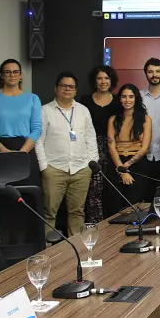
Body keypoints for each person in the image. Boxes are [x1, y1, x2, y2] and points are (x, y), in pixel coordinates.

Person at [36, 72, 98, 236]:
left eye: (71, 87)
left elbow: (91, 137)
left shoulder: (83, 111)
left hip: (81, 169)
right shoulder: (45, 111)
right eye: (63, 86)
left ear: (76, 91)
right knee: (49, 213)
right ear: (56, 88)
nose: (67, 89)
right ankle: (49, 253)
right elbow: (38, 140)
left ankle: (75, 251)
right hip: (54, 169)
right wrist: (44, 167)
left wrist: (91, 164)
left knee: (77, 212)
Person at [0, 59, 42, 188]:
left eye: (16, 72)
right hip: (0, 149)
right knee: (3, 196)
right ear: (1, 75)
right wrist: (4, 151)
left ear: (21, 75)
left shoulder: (32, 98)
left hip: (25, 149)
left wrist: (22, 152)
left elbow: (37, 129)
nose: (12, 75)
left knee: (27, 196)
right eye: (8, 72)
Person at [79, 65, 121, 223]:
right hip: (91, 149)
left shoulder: (118, 101)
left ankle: (111, 227)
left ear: (111, 81)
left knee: (112, 189)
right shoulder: (85, 101)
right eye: (99, 78)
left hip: (113, 150)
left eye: (106, 78)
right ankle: (95, 225)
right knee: (93, 190)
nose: (103, 81)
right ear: (94, 81)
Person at [106, 84, 152, 215]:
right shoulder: (113, 119)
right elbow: (111, 145)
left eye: (131, 97)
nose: (127, 100)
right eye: (124, 97)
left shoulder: (145, 119)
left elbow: (144, 147)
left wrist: (127, 166)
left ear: (136, 99)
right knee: (115, 207)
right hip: (117, 163)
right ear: (119, 99)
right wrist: (121, 169)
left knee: (134, 207)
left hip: (138, 164)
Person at [140, 58, 160, 196]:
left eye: (158, 71)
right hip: (142, 155)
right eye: (150, 72)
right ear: (145, 74)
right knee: (144, 196)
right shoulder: (138, 97)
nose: (154, 75)